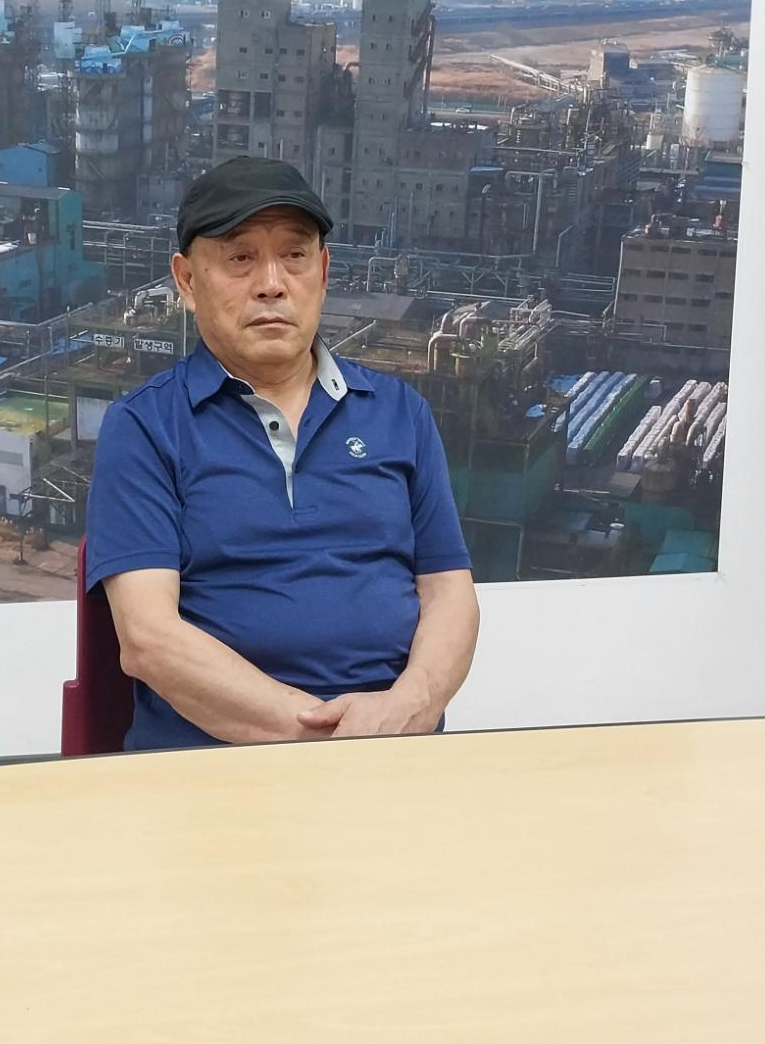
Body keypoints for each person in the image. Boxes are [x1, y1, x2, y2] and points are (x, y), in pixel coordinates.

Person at [85, 156, 479, 751]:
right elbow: (149, 640)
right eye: (240, 258)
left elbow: (449, 592)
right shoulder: (144, 427)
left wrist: (408, 708)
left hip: (396, 752)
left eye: (294, 255)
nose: (271, 283)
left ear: (322, 271)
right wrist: (333, 741)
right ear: (186, 281)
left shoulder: (401, 414)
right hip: (212, 772)